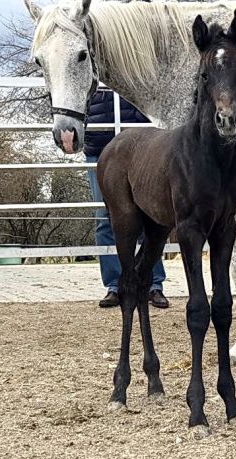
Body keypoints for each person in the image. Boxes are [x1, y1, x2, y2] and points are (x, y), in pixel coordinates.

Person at [86, 90, 169, 309]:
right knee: (106, 219)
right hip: (101, 144)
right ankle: (115, 284)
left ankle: (152, 283)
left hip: (141, 146)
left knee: (150, 216)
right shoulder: (90, 67)